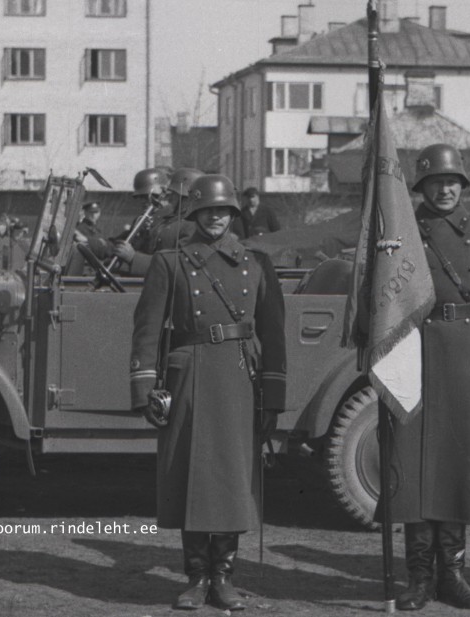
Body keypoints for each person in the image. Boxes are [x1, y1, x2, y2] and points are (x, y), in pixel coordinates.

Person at [130, 174, 286, 611]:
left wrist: (273, 395)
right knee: (193, 480)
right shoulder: (170, 262)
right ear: (195, 214)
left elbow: (274, 332)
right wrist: (145, 387)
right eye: (207, 211)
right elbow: (146, 331)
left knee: (232, 481)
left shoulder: (256, 262)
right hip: (190, 378)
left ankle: (224, 576)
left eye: (223, 210)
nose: (216, 218)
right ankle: (197, 576)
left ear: (234, 214)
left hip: (240, 377)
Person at [386, 143, 470, 611]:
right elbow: (382, 301)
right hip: (415, 358)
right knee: (417, 473)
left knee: (459, 472)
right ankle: (419, 579)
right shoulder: (400, 234)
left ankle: (453, 577)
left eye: (452, 181)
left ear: (463, 185)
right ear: (420, 187)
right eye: (435, 182)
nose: (445, 189)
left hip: (468, 364)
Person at [113, 168, 203, 275]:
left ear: (187, 198)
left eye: (175, 194)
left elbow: (180, 265)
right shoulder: (169, 221)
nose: (169, 198)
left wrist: (134, 258)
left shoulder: (192, 226)